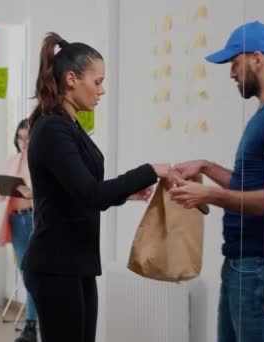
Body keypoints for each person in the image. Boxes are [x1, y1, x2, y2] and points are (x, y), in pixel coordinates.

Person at [21, 32, 170, 342]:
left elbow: (81, 193)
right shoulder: (52, 128)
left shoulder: (70, 125)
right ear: (72, 79)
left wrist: (125, 193)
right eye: (98, 81)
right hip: (55, 265)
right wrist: (150, 171)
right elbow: (91, 194)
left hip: (77, 262)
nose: (102, 90)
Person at [169, 21, 264, 342]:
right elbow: (251, 186)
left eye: (235, 63)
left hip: (259, 268)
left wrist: (209, 194)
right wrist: (206, 166)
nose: (232, 73)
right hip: (241, 265)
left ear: (257, 59)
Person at [0, 119, 39, 342]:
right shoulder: (13, 161)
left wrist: (30, 191)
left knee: (36, 274)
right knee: (27, 273)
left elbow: (47, 191)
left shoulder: (41, 161)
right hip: (18, 222)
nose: (23, 142)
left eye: (27, 137)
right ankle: (31, 326)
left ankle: (32, 325)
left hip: (37, 219)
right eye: (20, 137)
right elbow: (4, 195)